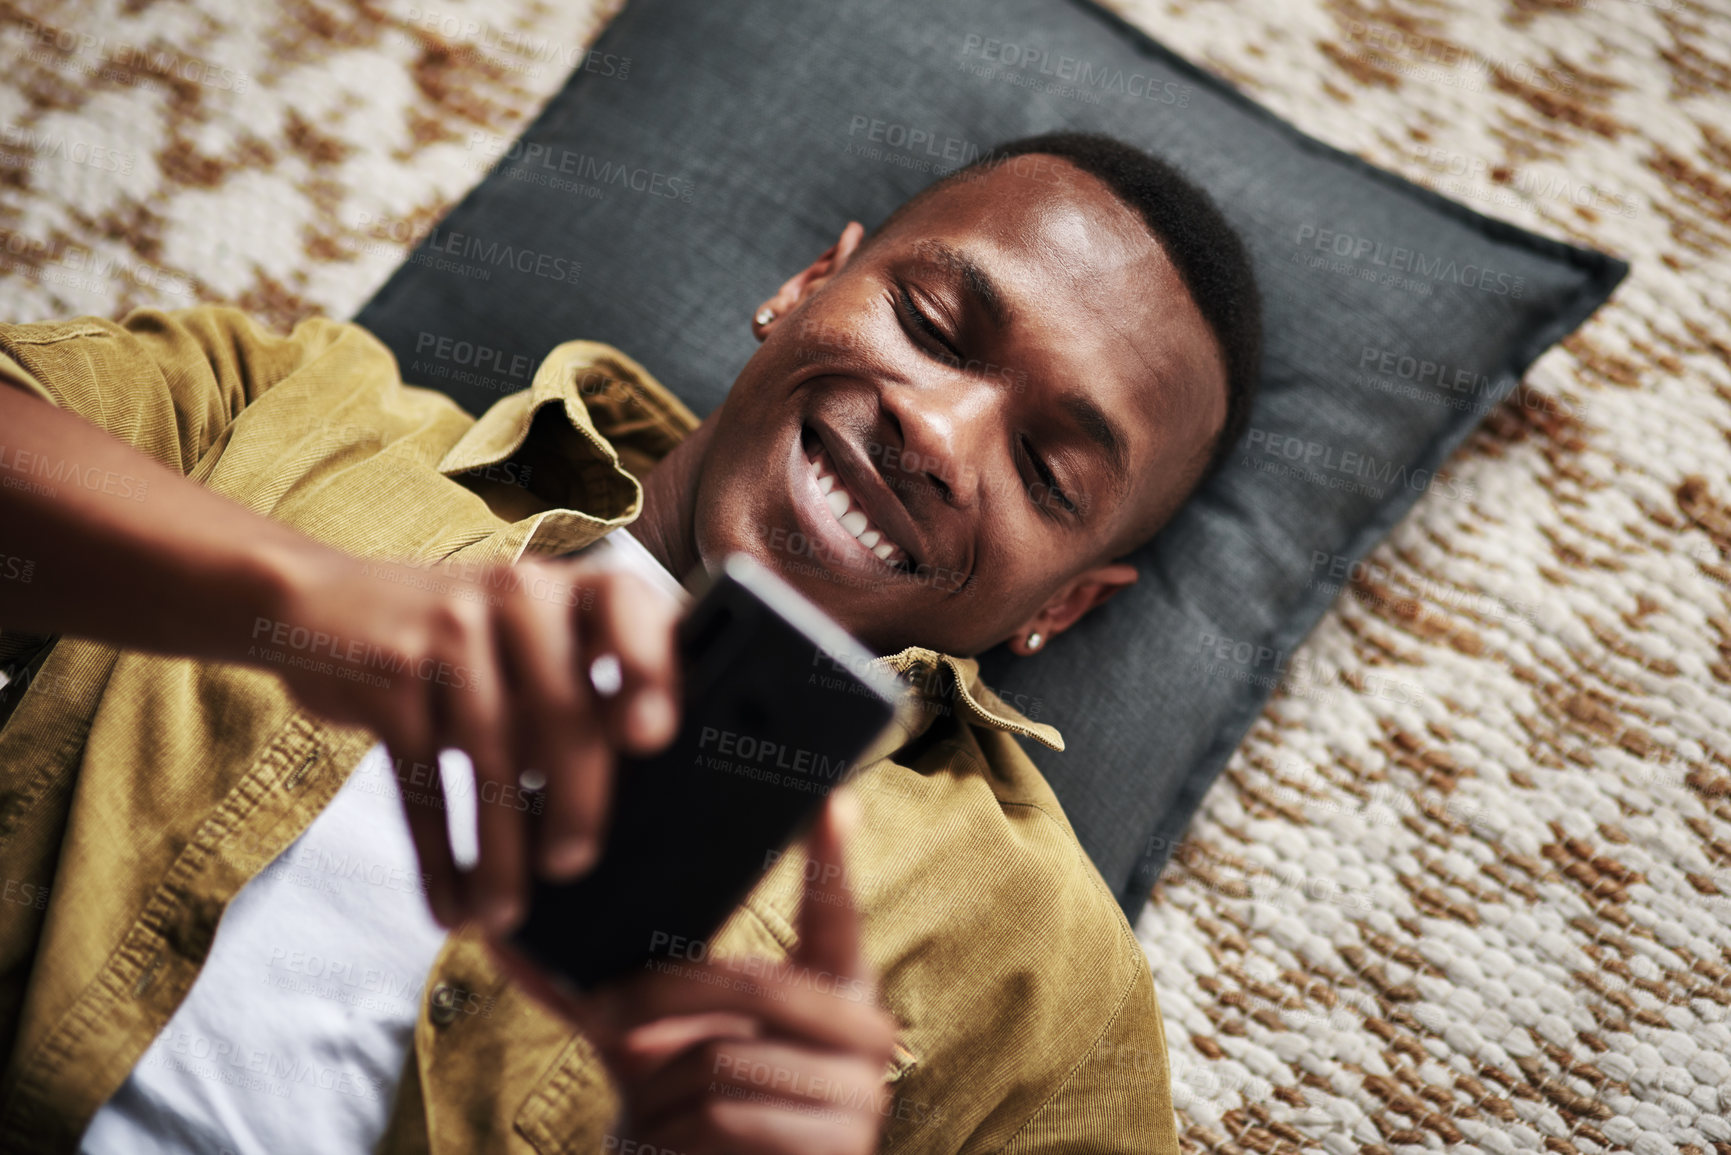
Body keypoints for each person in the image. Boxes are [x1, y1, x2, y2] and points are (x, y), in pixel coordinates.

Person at [0, 131, 1260, 1153]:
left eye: (1046, 469)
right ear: (806, 286)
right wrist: (305, 604)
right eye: (931, 326)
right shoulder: (311, 407)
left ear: (1066, 605)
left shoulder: (1032, 954)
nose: (937, 435)